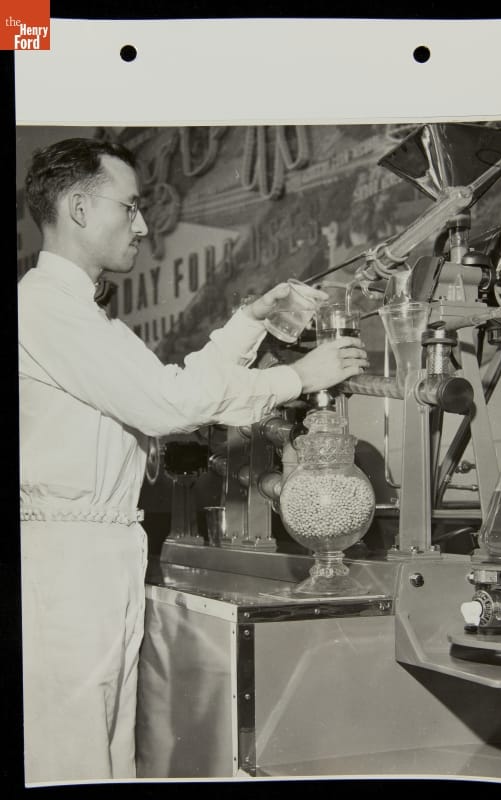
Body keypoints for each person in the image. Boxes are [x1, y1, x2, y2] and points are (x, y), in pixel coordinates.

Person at [18, 137, 368, 785]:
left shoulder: (81, 318)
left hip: (96, 560)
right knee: (71, 759)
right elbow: (166, 405)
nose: (144, 225)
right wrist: (296, 377)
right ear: (77, 207)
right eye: (130, 207)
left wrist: (247, 323)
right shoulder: (43, 309)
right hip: (66, 570)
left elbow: (169, 389)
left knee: (105, 757)